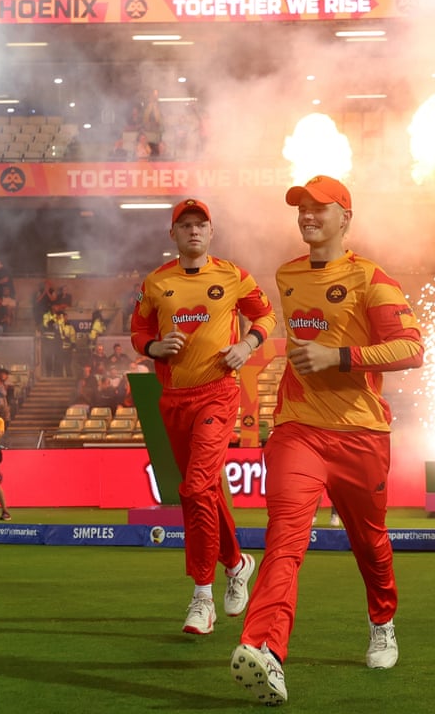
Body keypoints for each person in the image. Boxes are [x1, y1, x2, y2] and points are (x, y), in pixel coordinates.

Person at [231, 174, 424, 704]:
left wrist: (339, 357)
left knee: (371, 545)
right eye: (301, 208)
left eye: (320, 208)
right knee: (285, 540)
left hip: (361, 433)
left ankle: (382, 620)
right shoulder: (286, 274)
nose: (307, 216)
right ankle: (264, 650)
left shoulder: (373, 279)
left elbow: (411, 348)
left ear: (346, 217)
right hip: (297, 427)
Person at [130, 197, 277, 635]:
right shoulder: (156, 283)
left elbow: (266, 315)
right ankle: (236, 563)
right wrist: (154, 347)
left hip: (218, 393)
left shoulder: (233, 275)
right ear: (172, 234)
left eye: (201, 224)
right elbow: (138, 330)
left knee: (193, 487)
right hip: (174, 397)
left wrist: (248, 346)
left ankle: (201, 597)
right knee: (205, 489)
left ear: (211, 233)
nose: (194, 231)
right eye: (185, 224)